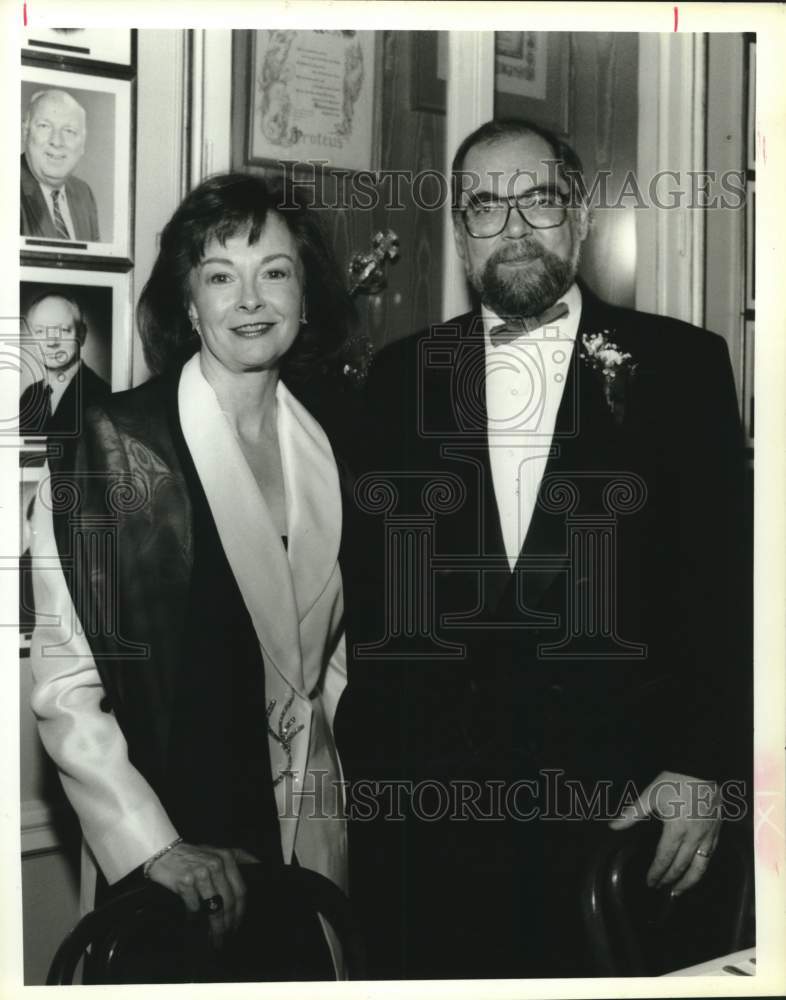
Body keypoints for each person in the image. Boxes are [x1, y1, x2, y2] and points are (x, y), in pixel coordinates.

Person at [336, 119, 750, 978]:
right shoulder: (397, 379)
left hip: (628, 821)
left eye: (539, 200)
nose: (514, 226)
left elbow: (732, 588)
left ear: (582, 216)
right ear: (458, 233)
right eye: (486, 206)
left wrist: (704, 768)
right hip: (439, 843)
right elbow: (375, 611)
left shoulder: (682, 366)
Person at [29, 173, 355, 981]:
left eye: (274, 271)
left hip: (311, 851)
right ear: (188, 301)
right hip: (181, 867)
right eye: (220, 275)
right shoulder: (105, 446)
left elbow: (334, 662)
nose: (250, 299)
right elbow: (66, 689)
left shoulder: (338, 442)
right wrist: (156, 847)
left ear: (306, 296)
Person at [18, 292, 109, 440]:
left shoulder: (103, 397)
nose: (51, 342)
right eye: (40, 331)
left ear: (82, 334)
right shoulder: (28, 397)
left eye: (63, 330)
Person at [21, 89, 100, 242]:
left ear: (82, 144)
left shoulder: (84, 194)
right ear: (25, 132)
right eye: (45, 126)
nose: (56, 141)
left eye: (69, 131)